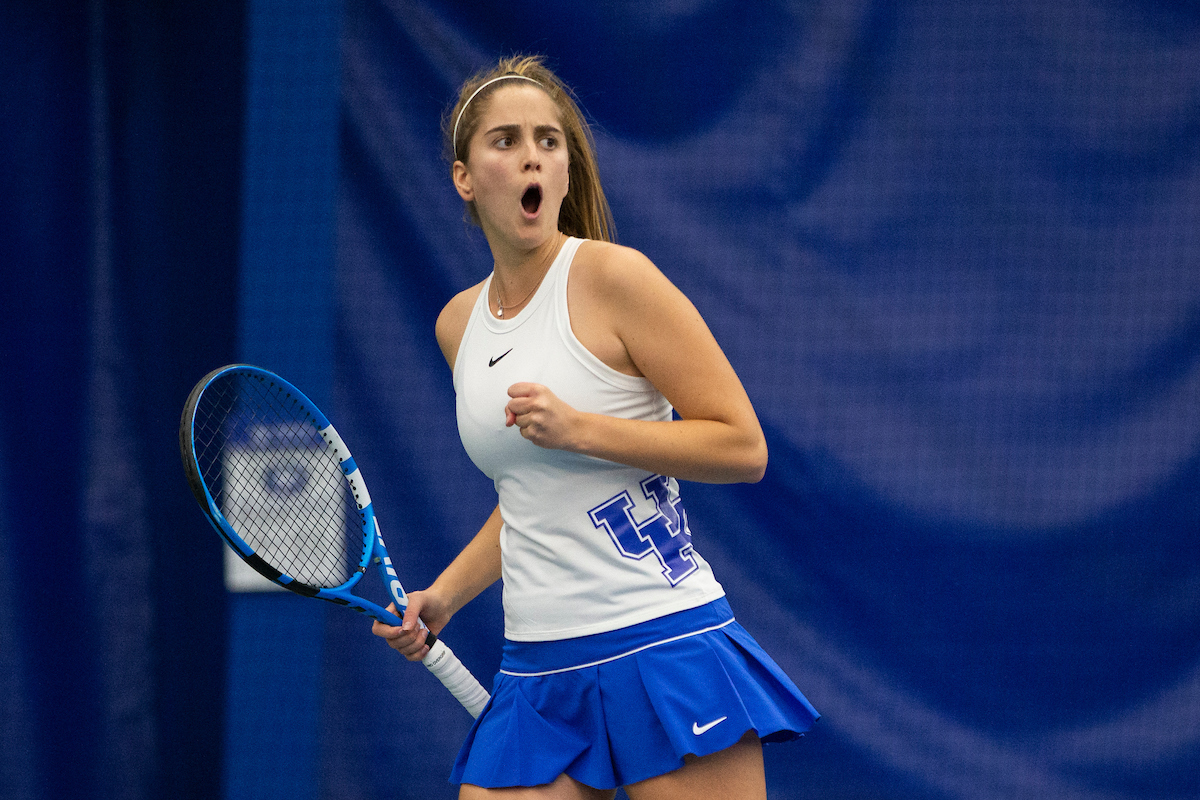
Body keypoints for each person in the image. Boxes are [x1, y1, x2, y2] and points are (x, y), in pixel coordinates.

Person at [372, 55, 818, 800]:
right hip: (537, 670)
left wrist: (583, 428)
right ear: (465, 177)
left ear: (566, 173)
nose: (532, 156)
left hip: (662, 647)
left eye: (549, 141)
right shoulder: (458, 325)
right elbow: (528, 497)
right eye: (506, 141)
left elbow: (742, 445)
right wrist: (443, 597)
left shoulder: (618, 280)